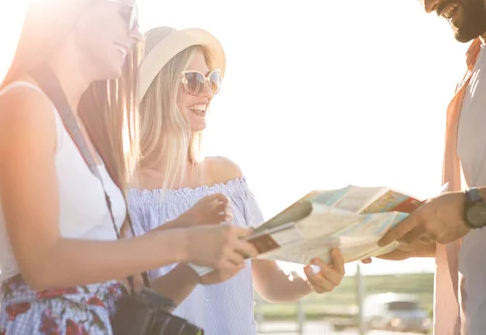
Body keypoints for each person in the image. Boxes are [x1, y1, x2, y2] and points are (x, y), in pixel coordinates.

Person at [0, 0, 257, 334]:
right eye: (126, 15)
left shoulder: (82, 134)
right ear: (75, 10)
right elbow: (42, 264)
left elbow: (123, 300)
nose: (135, 35)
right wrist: (184, 242)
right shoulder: (24, 104)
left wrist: (196, 263)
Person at [127, 26, 347, 335]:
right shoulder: (122, 192)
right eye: (193, 80)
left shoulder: (226, 178)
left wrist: (311, 279)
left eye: (213, 80)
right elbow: (127, 307)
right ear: (157, 88)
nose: (207, 92)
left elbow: (270, 283)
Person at [369, 0, 486, 334]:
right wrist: (420, 238)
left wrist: (467, 207)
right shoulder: (475, 71)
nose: (428, 4)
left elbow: (478, 207)